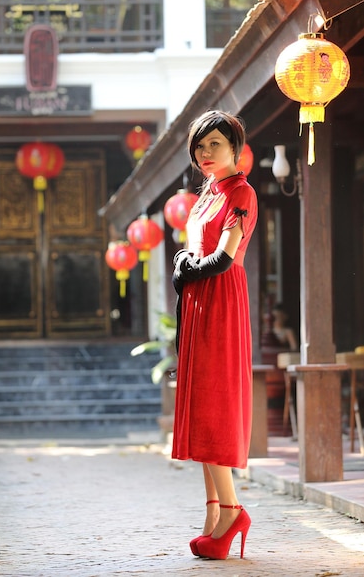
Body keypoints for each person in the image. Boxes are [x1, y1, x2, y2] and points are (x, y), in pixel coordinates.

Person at [172, 109, 258, 561]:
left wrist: (188, 267)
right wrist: (184, 263)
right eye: (200, 146)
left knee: (213, 404)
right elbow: (192, 245)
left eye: (215, 145)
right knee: (202, 403)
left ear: (235, 149)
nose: (206, 153)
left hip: (221, 299)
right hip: (199, 302)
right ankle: (213, 514)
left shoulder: (240, 191)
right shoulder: (206, 194)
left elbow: (224, 257)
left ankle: (232, 511)